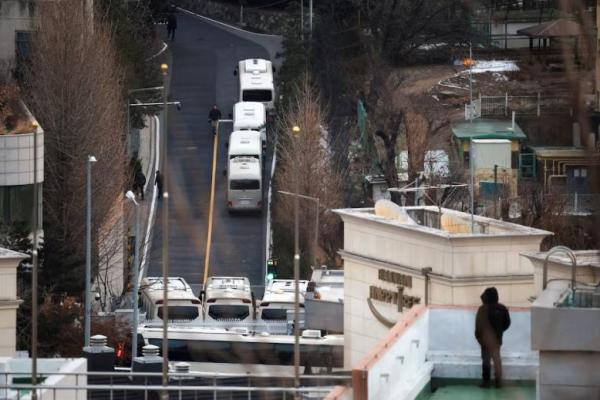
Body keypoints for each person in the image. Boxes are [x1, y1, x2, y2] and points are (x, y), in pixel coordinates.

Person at [475, 287, 511, 389]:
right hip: (497, 340)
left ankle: (486, 383)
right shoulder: (502, 308)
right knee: (497, 361)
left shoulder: (482, 309)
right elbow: (507, 323)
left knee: (486, 361)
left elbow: (478, 326)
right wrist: (500, 332)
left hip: (485, 341)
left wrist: (479, 338)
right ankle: (498, 383)